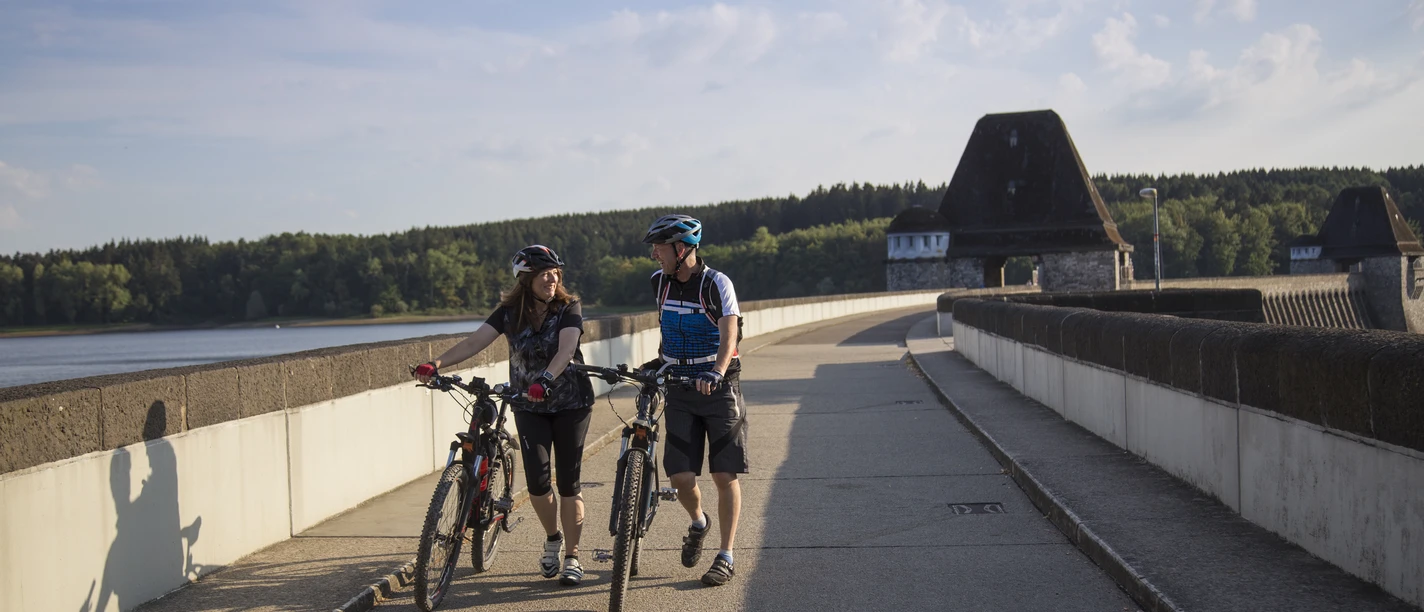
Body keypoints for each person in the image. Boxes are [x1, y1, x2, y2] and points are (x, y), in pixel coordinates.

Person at [413, 244, 595, 586]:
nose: (552, 279)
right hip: (529, 404)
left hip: (571, 403)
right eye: (545, 274)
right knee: (540, 485)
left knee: (569, 484)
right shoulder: (509, 313)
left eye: (556, 273)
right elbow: (473, 342)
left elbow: (568, 348)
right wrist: (436, 364)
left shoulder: (568, 307)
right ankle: (553, 537)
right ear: (526, 280)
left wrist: (546, 378)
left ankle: (572, 556)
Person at [637, 214, 747, 587]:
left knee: (722, 473)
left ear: (681, 250)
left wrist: (716, 370)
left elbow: (729, 330)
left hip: (719, 388)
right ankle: (699, 522)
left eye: (660, 248)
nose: (655, 254)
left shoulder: (716, 283)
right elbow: (669, 329)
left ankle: (725, 554)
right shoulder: (659, 284)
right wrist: (658, 364)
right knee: (682, 477)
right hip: (680, 388)